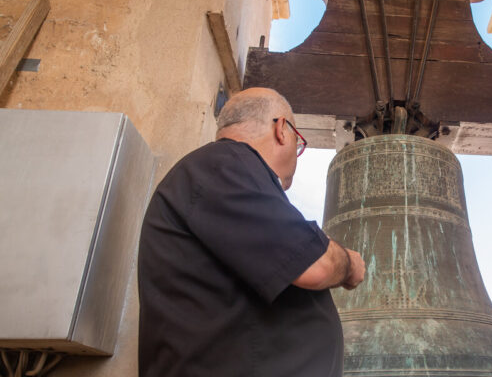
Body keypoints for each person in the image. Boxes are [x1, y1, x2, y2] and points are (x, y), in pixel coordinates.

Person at [138, 87, 365, 377]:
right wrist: (349, 264)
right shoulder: (224, 164)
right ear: (281, 129)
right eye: (298, 143)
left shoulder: (220, 173)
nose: (297, 155)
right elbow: (316, 266)